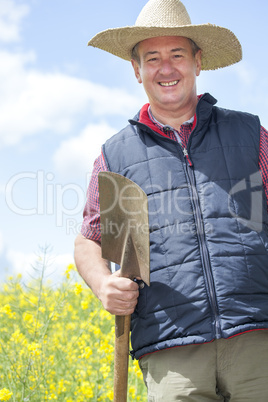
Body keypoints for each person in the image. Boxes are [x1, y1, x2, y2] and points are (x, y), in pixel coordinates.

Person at [74, 0, 268, 400]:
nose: (166, 68)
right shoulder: (116, 156)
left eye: (177, 55)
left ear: (198, 62)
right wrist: (103, 282)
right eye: (152, 58)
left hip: (258, 339)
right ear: (136, 70)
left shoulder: (251, 134)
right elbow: (90, 240)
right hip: (170, 354)